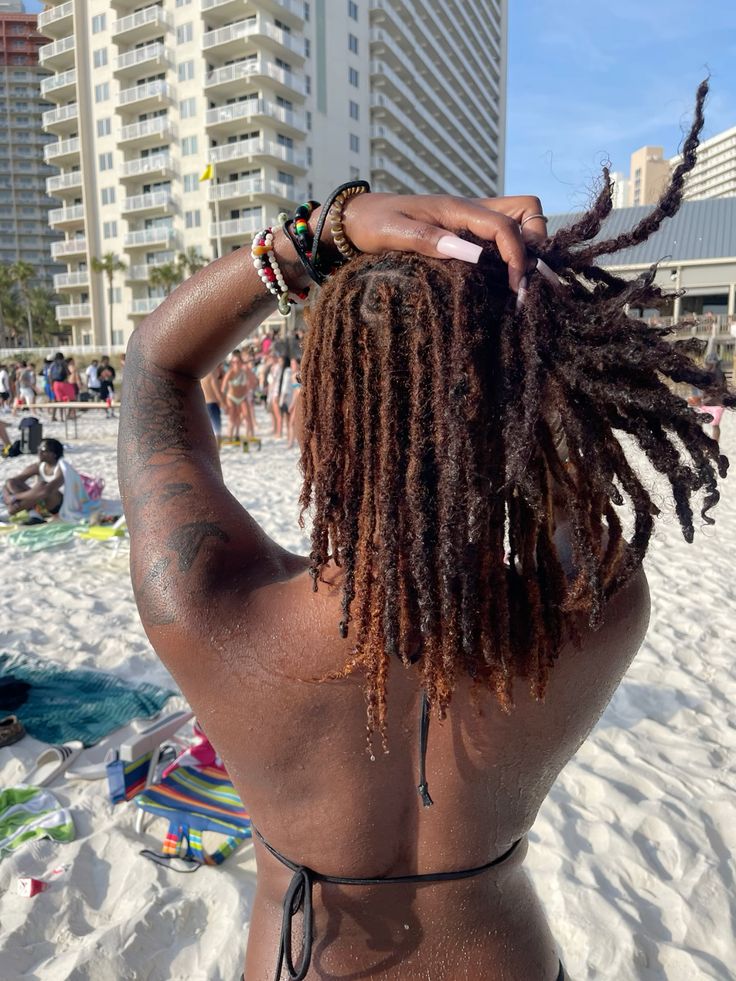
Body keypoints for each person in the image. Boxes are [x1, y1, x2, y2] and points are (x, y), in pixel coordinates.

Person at [120, 82, 730, 981]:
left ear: (310, 420)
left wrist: (322, 230)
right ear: (510, 418)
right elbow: (558, 463)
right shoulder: (589, 618)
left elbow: (157, 369)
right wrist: (537, 331)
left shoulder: (212, 609)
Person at [3, 438, 65, 524]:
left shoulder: (61, 468)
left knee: (42, 485)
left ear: (53, 454)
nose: (39, 452)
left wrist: (15, 498)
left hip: (59, 506)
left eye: (43, 450)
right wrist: (7, 498)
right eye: (39, 449)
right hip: (39, 503)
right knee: (11, 482)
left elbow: (46, 491)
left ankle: (19, 510)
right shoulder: (39, 466)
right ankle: (34, 514)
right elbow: (11, 482)